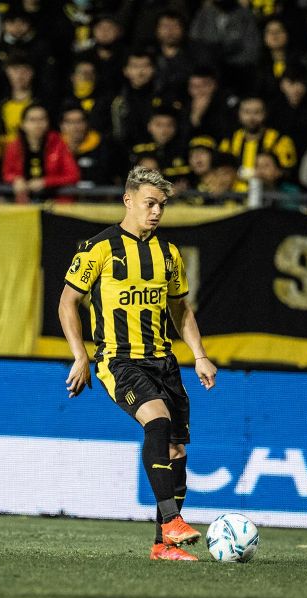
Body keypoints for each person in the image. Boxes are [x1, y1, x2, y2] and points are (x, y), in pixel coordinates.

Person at [58, 165, 217, 562]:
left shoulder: (168, 254)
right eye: (150, 203)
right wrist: (81, 354)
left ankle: (164, 546)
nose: (157, 212)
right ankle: (172, 523)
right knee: (157, 422)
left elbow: (181, 309)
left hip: (164, 362)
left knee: (177, 450)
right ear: (128, 200)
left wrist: (199, 355)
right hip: (119, 360)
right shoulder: (99, 249)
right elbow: (66, 302)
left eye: (161, 205)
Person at [2, 103, 79, 201]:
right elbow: (6, 174)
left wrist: (45, 182)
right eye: (32, 120)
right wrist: (15, 179)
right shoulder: (14, 146)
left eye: (42, 119)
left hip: (55, 202)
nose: (38, 124)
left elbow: (73, 176)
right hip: (23, 203)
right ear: (23, 124)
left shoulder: (59, 144)